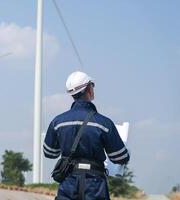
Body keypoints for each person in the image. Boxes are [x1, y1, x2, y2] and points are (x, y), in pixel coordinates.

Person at [43, 71, 130, 200]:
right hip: (95, 185)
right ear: (89, 88)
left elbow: (49, 153)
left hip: (68, 182)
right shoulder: (104, 123)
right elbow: (121, 157)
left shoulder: (57, 122)